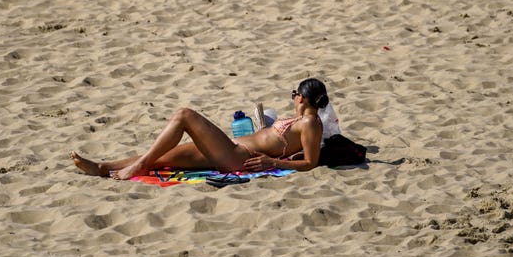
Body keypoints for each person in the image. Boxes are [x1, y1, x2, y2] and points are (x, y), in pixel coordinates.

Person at [71, 78, 329, 180]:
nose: (293, 97)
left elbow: (311, 162)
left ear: (302, 98)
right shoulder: (304, 122)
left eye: (294, 93)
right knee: (163, 158)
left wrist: (271, 162)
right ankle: (103, 167)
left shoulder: (310, 123)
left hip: (237, 157)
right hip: (232, 149)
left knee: (185, 115)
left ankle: (136, 166)